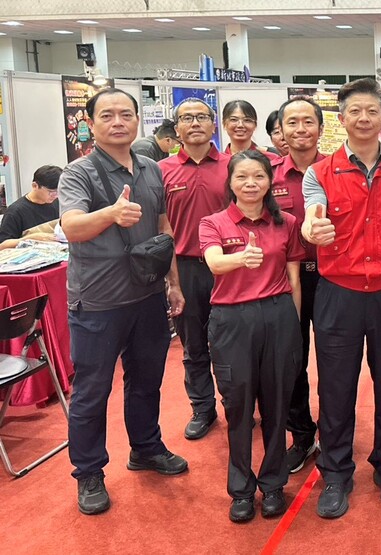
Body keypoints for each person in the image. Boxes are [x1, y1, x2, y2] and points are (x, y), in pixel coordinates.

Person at [59, 88, 188, 515]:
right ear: (91, 123)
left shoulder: (151, 168)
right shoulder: (78, 173)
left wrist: (173, 283)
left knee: (147, 380)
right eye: (108, 115)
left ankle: (146, 448)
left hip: (147, 296)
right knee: (92, 391)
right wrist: (110, 214)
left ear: (137, 120)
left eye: (126, 114)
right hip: (98, 302)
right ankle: (89, 472)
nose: (118, 122)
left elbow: (164, 228)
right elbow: (72, 227)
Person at [300, 78, 381, 519]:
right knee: (335, 387)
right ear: (342, 117)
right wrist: (311, 229)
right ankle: (335, 472)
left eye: (372, 110)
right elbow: (311, 215)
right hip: (339, 294)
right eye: (355, 111)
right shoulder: (320, 172)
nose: (364, 118)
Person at [199, 149, 305, 523]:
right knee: (238, 406)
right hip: (232, 320)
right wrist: (241, 258)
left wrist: (293, 325)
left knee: (277, 403)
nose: (250, 184)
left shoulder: (287, 222)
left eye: (258, 176)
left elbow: (294, 279)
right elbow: (214, 262)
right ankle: (241, 488)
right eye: (242, 177)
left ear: (269, 182)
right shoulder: (213, 223)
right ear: (230, 182)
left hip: (278, 316)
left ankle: (274, 483)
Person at [160, 97, 232, 441]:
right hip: (185, 268)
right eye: (187, 118)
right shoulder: (161, 170)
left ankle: (236, 404)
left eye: (202, 117)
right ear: (177, 129)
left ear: (213, 124)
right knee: (193, 345)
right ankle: (203, 408)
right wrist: (170, 279)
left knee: (231, 343)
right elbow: (160, 229)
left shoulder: (234, 165)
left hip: (229, 268)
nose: (195, 123)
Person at [271, 98, 326, 474]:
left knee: (336, 361)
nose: (301, 129)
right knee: (291, 360)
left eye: (308, 121)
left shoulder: (336, 170)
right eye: (292, 122)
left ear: (320, 128)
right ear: (281, 130)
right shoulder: (267, 175)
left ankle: (335, 433)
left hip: (332, 279)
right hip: (285, 281)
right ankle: (302, 435)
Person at [0, 165, 62, 249]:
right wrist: (30, 239)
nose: (56, 195)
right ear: (35, 186)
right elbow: (2, 245)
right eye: (51, 192)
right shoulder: (15, 211)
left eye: (59, 191)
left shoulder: (59, 202)